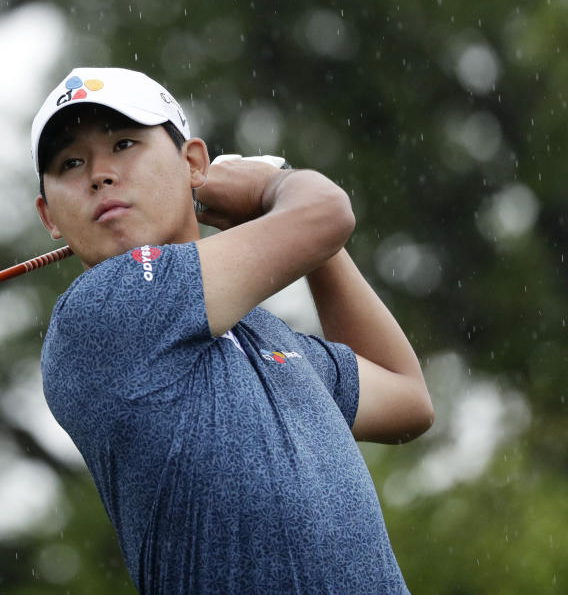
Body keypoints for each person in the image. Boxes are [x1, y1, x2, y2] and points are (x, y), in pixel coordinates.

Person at [30, 67, 434, 594]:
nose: (99, 174)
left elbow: (408, 398)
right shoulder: (105, 309)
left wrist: (311, 244)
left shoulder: (266, 337)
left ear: (192, 162)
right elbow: (328, 210)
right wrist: (274, 185)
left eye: (124, 143)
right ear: (49, 216)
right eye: (70, 163)